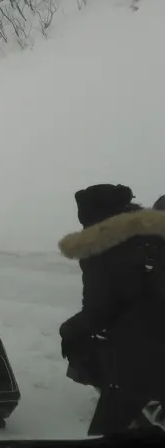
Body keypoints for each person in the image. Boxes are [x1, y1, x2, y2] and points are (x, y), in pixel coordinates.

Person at [58, 184, 165, 436]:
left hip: (142, 350)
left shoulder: (102, 247)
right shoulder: (154, 235)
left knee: (116, 423)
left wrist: (68, 331)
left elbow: (97, 312)